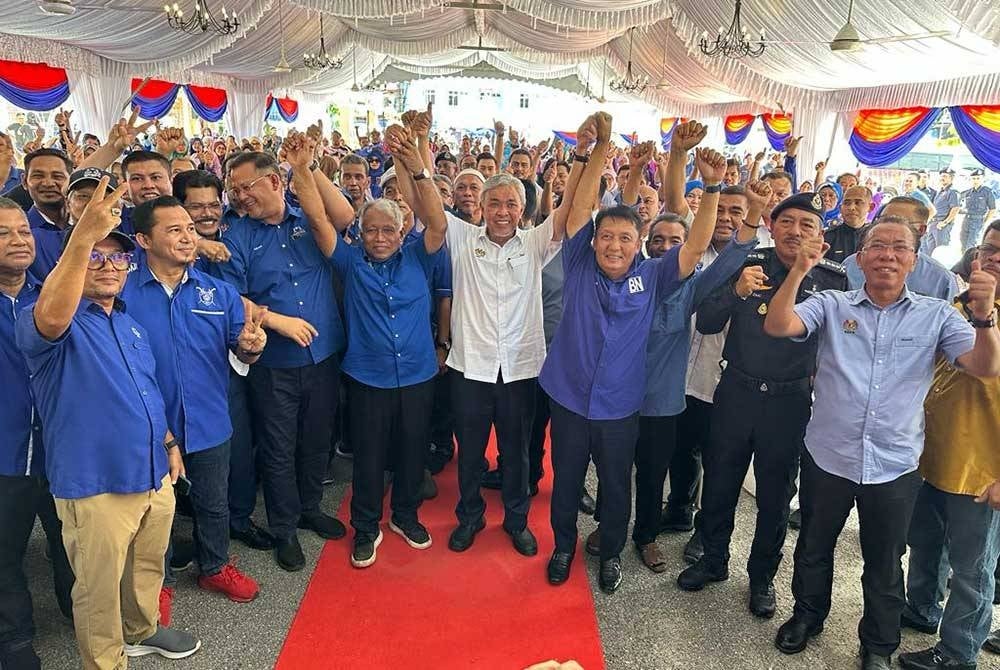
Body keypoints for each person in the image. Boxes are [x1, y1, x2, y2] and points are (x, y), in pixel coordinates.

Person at [763, 214, 999, 669]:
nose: (887, 255)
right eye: (877, 246)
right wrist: (798, 272)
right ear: (860, 257)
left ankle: (878, 644)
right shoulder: (833, 303)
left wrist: (984, 316)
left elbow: (984, 366)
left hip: (894, 464)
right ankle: (807, 616)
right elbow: (779, 324)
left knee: (886, 561)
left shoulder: (935, 315)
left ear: (914, 260)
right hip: (829, 455)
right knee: (813, 546)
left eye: (899, 247)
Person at [15, 176, 201, 668]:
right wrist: (83, 237)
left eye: (118, 258)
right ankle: (105, 661)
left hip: (152, 472)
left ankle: (141, 630)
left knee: (146, 566)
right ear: (72, 261)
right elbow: (51, 318)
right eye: (95, 256)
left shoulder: (128, 322)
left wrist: (169, 443)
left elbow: (147, 392)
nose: (108, 265)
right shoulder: (47, 316)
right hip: (95, 485)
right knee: (97, 589)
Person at [543, 116, 718, 593]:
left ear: (637, 244)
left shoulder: (654, 276)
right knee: (566, 481)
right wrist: (600, 146)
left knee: (617, 485)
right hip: (569, 398)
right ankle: (562, 548)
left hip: (620, 406)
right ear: (594, 241)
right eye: (606, 236)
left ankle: (612, 555)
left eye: (625, 238)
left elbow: (695, 245)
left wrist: (712, 187)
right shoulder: (579, 262)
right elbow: (580, 209)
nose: (614, 245)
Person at [678, 192, 847, 621]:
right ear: (772, 226)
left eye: (806, 225)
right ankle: (712, 558)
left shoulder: (833, 281)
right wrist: (735, 291)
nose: (795, 231)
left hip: (789, 402)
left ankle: (761, 577)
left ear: (821, 236)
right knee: (720, 482)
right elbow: (708, 321)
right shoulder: (749, 263)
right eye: (786, 222)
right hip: (737, 391)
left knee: (775, 496)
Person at [308, 123, 447, 568]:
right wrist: (304, 168)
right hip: (367, 378)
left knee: (412, 451)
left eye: (389, 229)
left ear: (402, 230)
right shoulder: (350, 262)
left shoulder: (420, 256)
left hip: (418, 375)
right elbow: (319, 221)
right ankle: (366, 528)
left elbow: (438, 221)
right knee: (368, 458)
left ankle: (405, 516)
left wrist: (416, 166)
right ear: (361, 232)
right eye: (372, 231)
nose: (381, 237)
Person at [122, 196, 265, 618]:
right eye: (174, 230)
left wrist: (252, 347)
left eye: (189, 229)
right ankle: (158, 583)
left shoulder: (217, 291)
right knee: (155, 512)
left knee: (213, 502)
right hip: (148, 427)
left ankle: (215, 566)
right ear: (144, 240)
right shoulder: (123, 291)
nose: (188, 237)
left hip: (209, 420)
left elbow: (243, 347)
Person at [619, 179, 766, 574]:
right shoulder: (630, 279)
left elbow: (730, 260)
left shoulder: (694, 287)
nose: (666, 247)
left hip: (661, 400)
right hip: (618, 395)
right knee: (614, 470)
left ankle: (646, 536)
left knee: (652, 473)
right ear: (647, 243)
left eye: (676, 241)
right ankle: (608, 527)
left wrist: (753, 212)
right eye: (658, 240)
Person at [219, 151, 355, 571]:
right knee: (278, 448)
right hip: (273, 362)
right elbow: (231, 297)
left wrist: (305, 166)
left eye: (246, 187)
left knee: (317, 439)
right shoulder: (237, 235)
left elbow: (345, 217)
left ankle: (310, 507)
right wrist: (277, 321)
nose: (240, 196)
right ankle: (284, 528)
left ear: (275, 182)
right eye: (234, 190)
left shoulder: (308, 217)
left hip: (323, 354)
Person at [444, 152, 565, 555]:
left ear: (523, 209)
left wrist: (585, 155)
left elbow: (570, 214)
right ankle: (470, 517)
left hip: (519, 369)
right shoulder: (461, 237)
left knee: (516, 453)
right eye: (494, 203)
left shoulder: (534, 243)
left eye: (511, 204)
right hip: (471, 367)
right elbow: (427, 206)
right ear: (481, 206)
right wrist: (417, 161)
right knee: (470, 453)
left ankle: (516, 520)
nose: (502, 211)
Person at [897, 221, 1000, 670]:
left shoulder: (981, 313)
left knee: (972, 568)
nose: (995, 258)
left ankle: (958, 652)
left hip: (983, 470)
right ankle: (921, 608)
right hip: (929, 455)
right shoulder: (952, 307)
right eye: (990, 248)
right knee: (925, 543)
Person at [173, 170, 274, 552]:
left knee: (237, 446)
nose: (207, 213)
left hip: (232, 362)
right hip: (182, 366)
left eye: (213, 204)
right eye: (196, 206)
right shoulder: (168, 246)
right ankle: (190, 532)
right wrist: (197, 244)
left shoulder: (237, 230)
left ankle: (238, 519)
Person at [0, 198, 73, 670]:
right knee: (4, 552)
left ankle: (76, 610)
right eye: (3, 233)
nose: (18, 240)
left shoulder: (52, 297)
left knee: (69, 541)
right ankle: (14, 637)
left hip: (60, 450)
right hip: (5, 454)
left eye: (23, 232)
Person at [842, 197, 960, 300]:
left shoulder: (942, 280)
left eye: (901, 222)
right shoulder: (851, 265)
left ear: (921, 230)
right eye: (884, 220)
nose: (890, 226)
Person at [823, 185, 873, 262]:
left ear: (871, 207)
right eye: (847, 203)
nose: (851, 208)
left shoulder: (875, 237)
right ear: (840, 208)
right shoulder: (828, 236)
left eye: (858, 203)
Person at [924, 168, 961, 256]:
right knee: (930, 251)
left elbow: (955, 208)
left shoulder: (953, 192)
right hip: (933, 224)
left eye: (945, 176)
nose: (942, 178)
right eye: (941, 176)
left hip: (942, 225)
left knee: (941, 251)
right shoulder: (940, 191)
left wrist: (945, 222)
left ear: (951, 178)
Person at [961, 169, 996, 252]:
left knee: (971, 244)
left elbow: (992, 209)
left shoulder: (987, 192)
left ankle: (970, 259)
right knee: (963, 241)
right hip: (966, 219)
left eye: (978, 178)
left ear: (983, 179)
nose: (975, 181)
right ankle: (964, 258)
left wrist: (985, 222)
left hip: (978, 220)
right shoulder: (968, 192)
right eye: (973, 178)